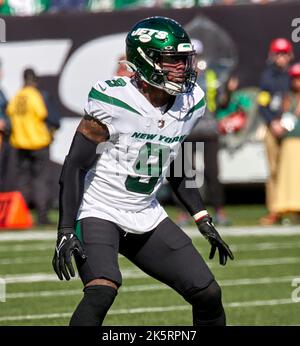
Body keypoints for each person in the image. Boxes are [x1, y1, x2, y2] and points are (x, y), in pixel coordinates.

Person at [52, 16, 233, 327]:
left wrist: (201, 216)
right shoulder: (115, 99)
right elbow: (75, 164)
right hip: (100, 210)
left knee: (208, 293)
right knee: (101, 292)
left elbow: (174, 160)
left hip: (146, 213)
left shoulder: (191, 102)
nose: (183, 68)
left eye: (184, 60)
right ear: (146, 60)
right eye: (173, 60)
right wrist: (65, 228)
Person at [6, 68, 53, 225]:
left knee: (22, 180)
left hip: (19, 143)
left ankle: (22, 215)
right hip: (38, 142)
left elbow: (10, 114)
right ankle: (42, 216)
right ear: (34, 80)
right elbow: (43, 114)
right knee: (40, 179)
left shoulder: (17, 96)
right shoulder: (34, 95)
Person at [258, 38, 293, 225]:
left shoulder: (293, 75)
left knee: (293, 169)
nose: (281, 57)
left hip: (293, 129)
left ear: (290, 55)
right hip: (273, 128)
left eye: (284, 53)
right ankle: (274, 210)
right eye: (278, 53)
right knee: (273, 170)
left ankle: (293, 207)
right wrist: (273, 123)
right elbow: (262, 103)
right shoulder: (267, 77)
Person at [273, 63, 300, 219]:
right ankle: (287, 207)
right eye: (295, 78)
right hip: (290, 141)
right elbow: (285, 118)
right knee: (288, 175)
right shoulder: (288, 98)